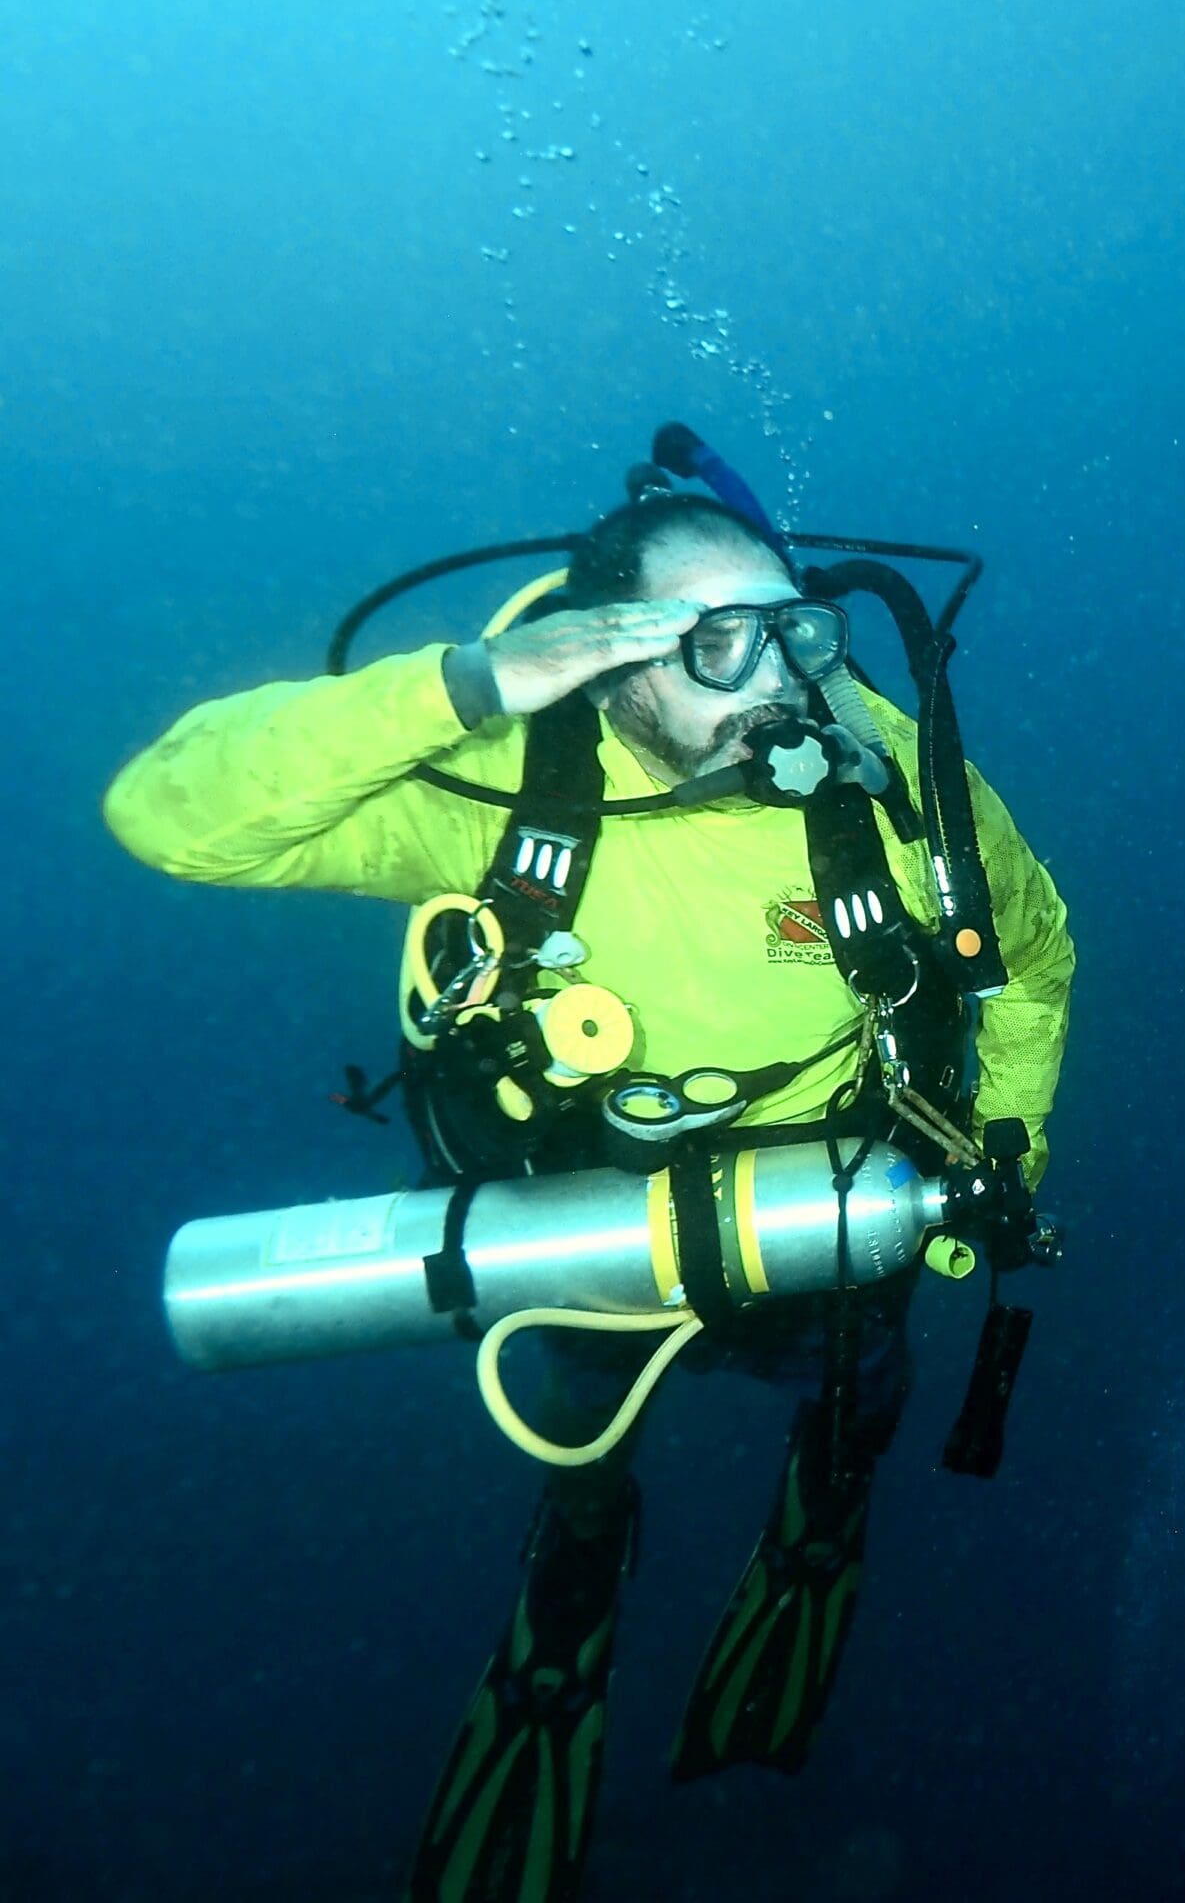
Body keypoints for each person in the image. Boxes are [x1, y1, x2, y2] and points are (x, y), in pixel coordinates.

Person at [104, 461, 1074, 1902]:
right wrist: (468, 686)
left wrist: (1002, 1150)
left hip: (835, 1190)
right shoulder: (512, 781)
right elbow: (169, 815)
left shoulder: (891, 770)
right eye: (715, 643)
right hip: (581, 1215)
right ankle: (573, 1592)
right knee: (573, 1445)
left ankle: (820, 1526)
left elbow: (1030, 960)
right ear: (610, 655)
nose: (781, 682)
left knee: (861, 1398)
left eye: (796, 629)